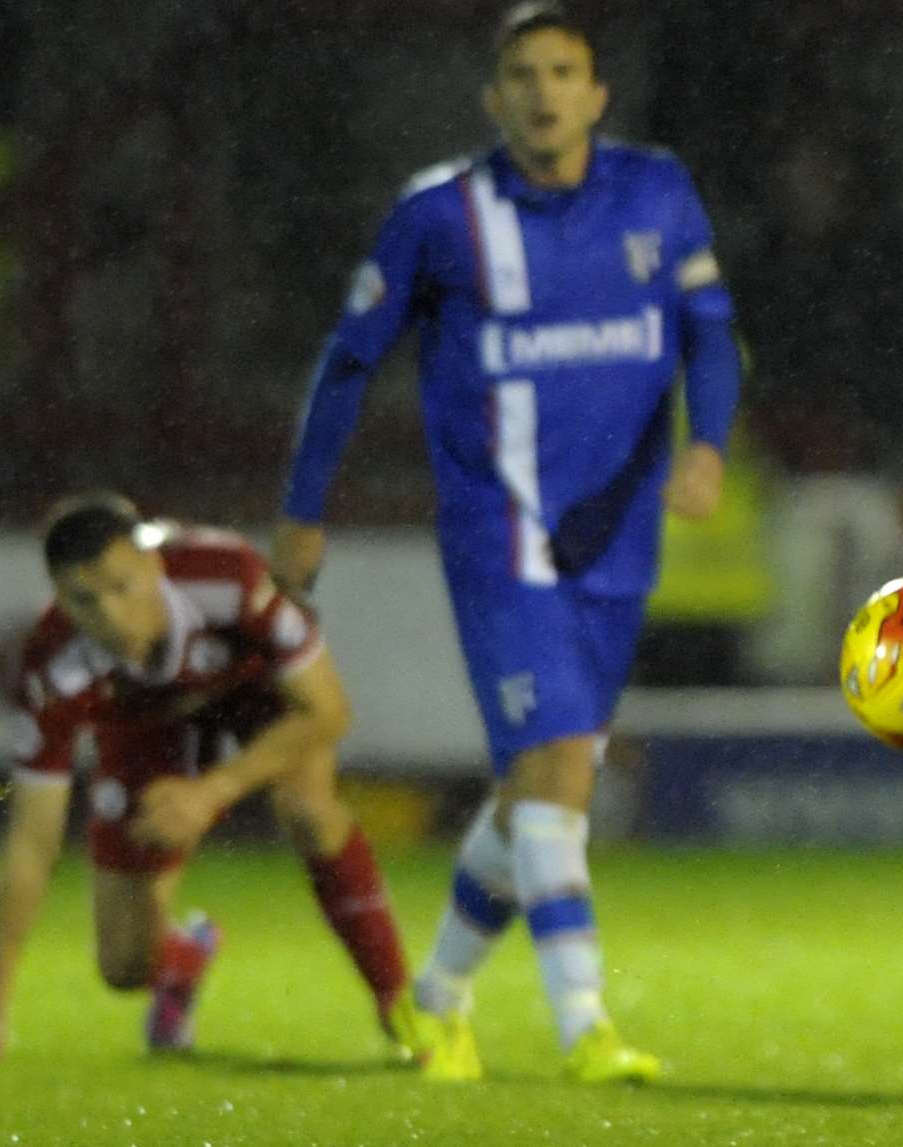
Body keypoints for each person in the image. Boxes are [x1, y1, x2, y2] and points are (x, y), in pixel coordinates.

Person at [271, 1, 741, 1083]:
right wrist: (303, 508)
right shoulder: (440, 217)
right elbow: (349, 362)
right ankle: (585, 1027)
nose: (542, 90)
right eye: (520, 73)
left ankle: (433, 1000)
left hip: (617, 538)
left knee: (547, 772)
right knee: (558, 771)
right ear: (492, 98)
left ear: (596, 92)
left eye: (562, 70)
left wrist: (706, 444)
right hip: (501, 530)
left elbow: (708, 332)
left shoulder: (656, 191)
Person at [0, 496, 418, 1059]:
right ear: (58, 596)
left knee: (308, 810)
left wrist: (211, 792)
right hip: (144, 723)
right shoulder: (49, 666)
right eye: (84, 599)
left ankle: (404, 1010)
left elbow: (327, 711)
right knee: (124, 967)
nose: (111, 616)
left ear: (154, 567)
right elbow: (32, 840)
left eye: (122, 588)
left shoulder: (227, 575)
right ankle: (183, 956)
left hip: (252, 692)